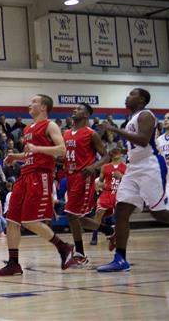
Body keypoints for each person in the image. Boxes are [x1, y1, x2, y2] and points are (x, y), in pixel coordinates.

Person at [97, 89, 169, 272]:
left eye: (132, 94)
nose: (127, 97)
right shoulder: (131, 119)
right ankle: (120, 259)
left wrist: (113, 129)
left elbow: (144, 140)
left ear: (142, 99)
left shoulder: (146, 115)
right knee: (121, 210)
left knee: (159, 213)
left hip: (150, 167)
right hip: (133, 167)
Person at [0, 94, 75, 276]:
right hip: (24, 177)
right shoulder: (28, 128)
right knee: (12, 221)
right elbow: (30, 154)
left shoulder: (50, 125)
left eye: (34, 102)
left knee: (30, 221)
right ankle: (14, 263)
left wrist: (37, 149)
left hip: (40, 176)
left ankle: (64, 247)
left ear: (44, 107)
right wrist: (17, 157)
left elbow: (62, 150)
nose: (30, 105)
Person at [61, 103, 109, 266]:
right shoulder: (66, 133)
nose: (75, 110)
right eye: (74, 108)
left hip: (84, 177)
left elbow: (106, 156)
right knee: (76, 217)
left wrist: (93, 167)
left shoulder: (91, 134)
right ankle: (108, 231)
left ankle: (80, 253)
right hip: (70, 176)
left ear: (87, 115)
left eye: (79, 109)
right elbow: (66, 154)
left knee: (70, 214)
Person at [89, 148, 126, 246]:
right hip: (107, 192)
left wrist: (122, 177)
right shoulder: (105, 167)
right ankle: (94, 235)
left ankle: (118, 236)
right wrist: (100, 185)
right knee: (98, 213)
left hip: (119, 193)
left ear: (121, 154)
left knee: (120, 217)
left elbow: (129, 182)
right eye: (114, 152)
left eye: (118, 152)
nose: (116, 154)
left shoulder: (126, 167)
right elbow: (100, 181)